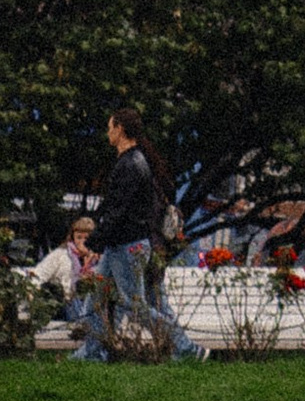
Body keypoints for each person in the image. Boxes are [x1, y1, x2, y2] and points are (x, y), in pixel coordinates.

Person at [72, 107, 205, 363]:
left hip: (127, 246)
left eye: (110, 127)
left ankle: (187, 348)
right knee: (97, 299)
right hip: (120, 245)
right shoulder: (132, 161)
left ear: (120, 129)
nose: (108, 133)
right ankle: (92, 353)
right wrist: (99, 237)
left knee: (134, 306)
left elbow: (119, 211)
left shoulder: (131, 165)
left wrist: (93, 242)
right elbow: (113, 207)